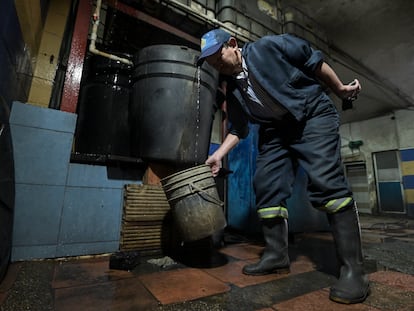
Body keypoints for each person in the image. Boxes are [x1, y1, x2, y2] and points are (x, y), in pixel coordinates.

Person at [197, 28, 370, 304]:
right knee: (266, 185)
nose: (216, 65)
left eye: (218, 57)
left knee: (326, 183)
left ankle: (354, 271)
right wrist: (219, 154)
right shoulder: (234, 87)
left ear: (232, 44)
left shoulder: (269, 47)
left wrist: (340, 90)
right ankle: (276, 255)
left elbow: (314, 62)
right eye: (211, 63)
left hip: (311, 117)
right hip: (276, 130)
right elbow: (238, 128)